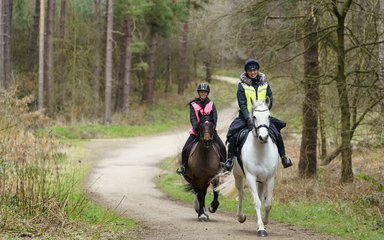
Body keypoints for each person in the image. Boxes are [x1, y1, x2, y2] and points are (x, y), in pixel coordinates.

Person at [223, 58, 293, 171]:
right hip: (246, 117)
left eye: (254, 70)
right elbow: (242, 104)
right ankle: (230, 160)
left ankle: (283, 158)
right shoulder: (242, 85)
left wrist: (264, 112)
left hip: (262, 117)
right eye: (250, 70)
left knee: (276, 132)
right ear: (246, 72)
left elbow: (270, 98)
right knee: (234, 134)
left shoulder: (265, 84)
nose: (252, 72)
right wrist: (248, 118)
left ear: (257, 70)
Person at [176, 83, 227, 175]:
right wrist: (197, 129)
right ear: (198, 93)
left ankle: (224, 166)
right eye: (201, 92)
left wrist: (212, 128)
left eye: (205, 92)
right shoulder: (193, 104)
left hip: (210, 131)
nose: (203, 93)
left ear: (207, 93)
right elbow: (192, 118)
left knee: (222, 147)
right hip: (197, 132)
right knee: (185, 149)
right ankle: (184, 167)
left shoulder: (211, 104)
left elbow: (215, 117)